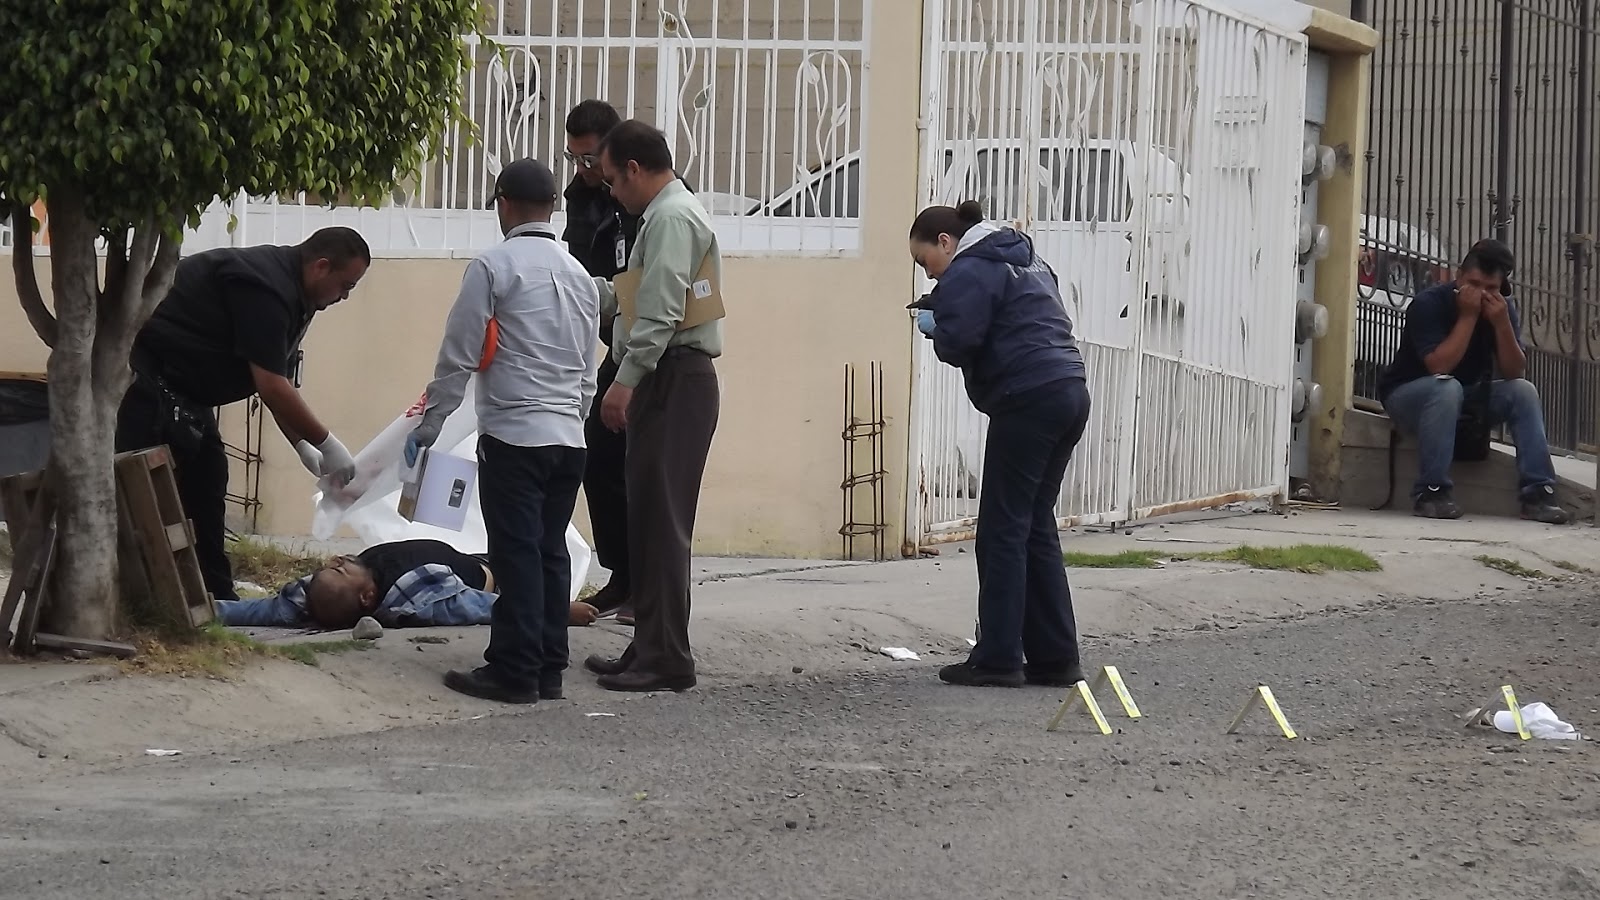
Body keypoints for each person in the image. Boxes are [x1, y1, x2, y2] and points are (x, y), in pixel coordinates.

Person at [405, 158, 600, 704]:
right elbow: (588, 370)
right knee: (549, 551)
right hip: (568, 439)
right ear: (555, 208)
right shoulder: (581, 275)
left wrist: (432, 422)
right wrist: (571, 419)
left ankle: (513, 669)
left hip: (515, 435)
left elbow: (459, 354)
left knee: (514, 551)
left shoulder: (493, 267)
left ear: (503, 205)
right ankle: (548, 668)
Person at [117, 228, 371, 605]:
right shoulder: (264, 286)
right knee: (153, 498)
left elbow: (278, 379)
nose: (346, 295)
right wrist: (326, 442)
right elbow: (270, 384)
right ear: (321, 267)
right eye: (346, 284)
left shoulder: (298, 295)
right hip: (148, 380)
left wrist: (302, 445)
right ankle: (147, 601)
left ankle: (216, 598)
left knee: (209, 481)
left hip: (189, 392)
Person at [908, 200, 1092, 689]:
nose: (930, 276)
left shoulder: (970, 267)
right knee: (1034, 524)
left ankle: (998, 658)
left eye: (926, 263)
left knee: (1002, 529)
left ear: (945, 242)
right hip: (1069, 389)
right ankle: (1055, 658)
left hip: (1026, 397)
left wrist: (936, 327)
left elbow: (962, 339)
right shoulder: (1027, 259)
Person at [583, 120, 723, 693]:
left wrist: (625, 382)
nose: (612, 192)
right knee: (646, 519)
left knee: (662, 524)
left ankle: (667, 656)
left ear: (636, 170)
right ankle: (649, 644)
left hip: (671, 378)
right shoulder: (665, 215)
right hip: (667, 377)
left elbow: (661, 313)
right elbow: (633, 299)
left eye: (614, 179)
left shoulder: (669, 217)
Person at [1379, 239, 1569, 524]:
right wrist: (1468, 317)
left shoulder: (1501, 310)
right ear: (1458, 276)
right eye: (1473, 284)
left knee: (1523, 391)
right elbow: (1439, 366)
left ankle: (1538, 493)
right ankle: (1431, 492)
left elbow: (1514, 371)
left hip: (1464, 396)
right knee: (1446, 386)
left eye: (1491, 288)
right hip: (1410, 395)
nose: (1481, 294)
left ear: (1502, 289)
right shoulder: (1429, 303)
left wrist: (1502, 325)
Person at [562, 99, 640, 623]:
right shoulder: (581, 197)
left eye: (590, 160)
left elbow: (651, 291)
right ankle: (623, 574)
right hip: (611, 341)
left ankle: (649, 586)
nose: (582, 171)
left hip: (647, 346)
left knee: (645, 471)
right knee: (599, 461)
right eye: (574, 159)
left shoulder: (642, 203)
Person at [213, 538, 601, 630]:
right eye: (341, 569)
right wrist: (560, 611)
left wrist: (208, 609)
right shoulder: (418, 594)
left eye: (332, 566)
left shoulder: (312, 595)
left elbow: (258, 609)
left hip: (469, 551)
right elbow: (490, 609)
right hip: (496, 573)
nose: (339, 560)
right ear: (367, 597)